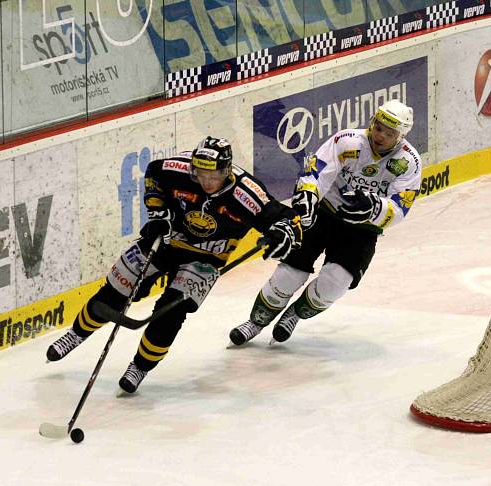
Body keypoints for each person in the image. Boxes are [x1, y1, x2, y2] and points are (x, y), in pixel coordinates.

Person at [46, 137, 302, 393]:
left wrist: (281, 234)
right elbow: (154, 174)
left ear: (226, 170)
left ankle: (140, 366)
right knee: (115, 292)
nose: (206, 182)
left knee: (171, 314)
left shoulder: (246, 194)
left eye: (213, 176)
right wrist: (157, 213)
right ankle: (77, 334)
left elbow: (287, 219)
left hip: (205, 260)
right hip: (165, 241)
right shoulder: (176, 169)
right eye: (201, 174)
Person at [229, 99, 422, 345]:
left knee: (334, 284)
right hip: (324, 215)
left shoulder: (409, 162)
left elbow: (400, 206)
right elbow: (317, 171)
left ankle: (294, 314)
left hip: (361, 231)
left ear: (401, 135)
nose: (380, 135)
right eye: (378, 126)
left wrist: (373, 208)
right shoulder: (349, 141)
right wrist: (308, 197)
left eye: (389, 132)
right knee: (287, 276)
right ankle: (255, 322)